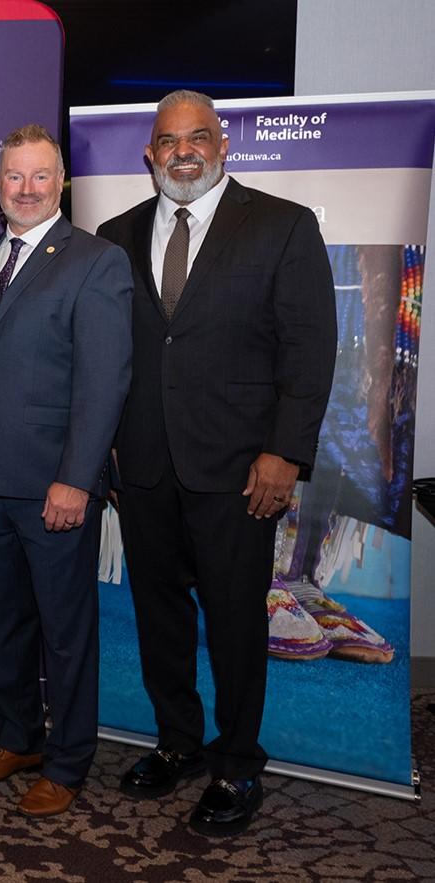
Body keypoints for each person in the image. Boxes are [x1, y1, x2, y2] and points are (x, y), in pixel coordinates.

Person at [97, 90, 336, 836]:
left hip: (241, 470)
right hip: (142, 467)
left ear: (223, 144)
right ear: (150, 154)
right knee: (159, 614)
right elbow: (112, 356)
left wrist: (285, 453)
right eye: (169, 142)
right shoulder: (114, 235)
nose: (184, 152)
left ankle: (237, 763)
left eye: (198, 137)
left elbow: (309, 350)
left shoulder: (282, 225)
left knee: (235, 622)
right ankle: (178, 741)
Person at [0, 124, 132, 817]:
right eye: (12, 176)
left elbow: (105, 380)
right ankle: (17, 739)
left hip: (54, 485)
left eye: (38, 176)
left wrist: (78, 477)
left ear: (60, 182)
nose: (25, 189)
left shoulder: (95, 261)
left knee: (65, 631)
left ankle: (67, 761)